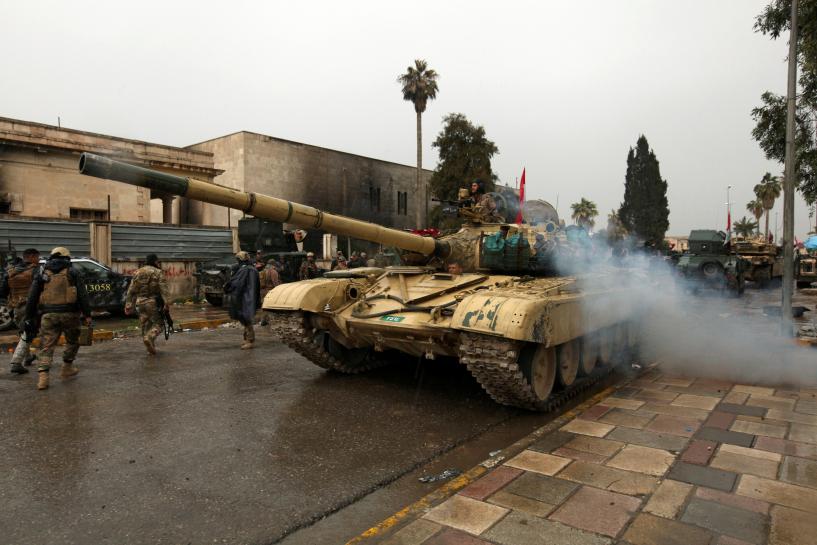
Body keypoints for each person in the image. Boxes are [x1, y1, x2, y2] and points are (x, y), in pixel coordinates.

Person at [25, 247, 91, 391]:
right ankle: (67, 367)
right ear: (67, 257)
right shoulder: (73, 271)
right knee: (73, 341)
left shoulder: (42, 272)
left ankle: (43, 378)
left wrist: (28, 316)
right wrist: (87, 314)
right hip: (70, 315)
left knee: (46, 346)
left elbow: (32, 296)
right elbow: (82, 295)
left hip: (48, 315)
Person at [125, 253, 170, 356]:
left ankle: (150, 347)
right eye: (157, 261)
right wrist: (166, 303)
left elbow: (131, 290)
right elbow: (164, 289)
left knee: (146, 325)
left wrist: (128, 304)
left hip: (139, 303)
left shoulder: (137, 272)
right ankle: (149, 338)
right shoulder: (158, 272)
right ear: (155, 262)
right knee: (159, 324)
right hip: (152, 302)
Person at [4, 248, 40, 374]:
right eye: (37, 257)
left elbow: (3, 291)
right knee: (29, 331)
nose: (38, 259)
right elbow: (39, 288)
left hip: (14, 306)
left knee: (24, 330)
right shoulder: (34, 270)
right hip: (29, 306)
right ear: (30, 257)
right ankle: (16, 362)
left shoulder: (10, 272)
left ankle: (28, 357)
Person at [224, 251, 261, 349]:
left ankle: (250, 340)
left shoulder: (247, 270)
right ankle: (246, 339)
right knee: (245, 320)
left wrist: (228, 287)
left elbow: (237, 283)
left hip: (246, 298)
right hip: (245, 298)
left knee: (247, 320)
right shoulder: (249, 269)